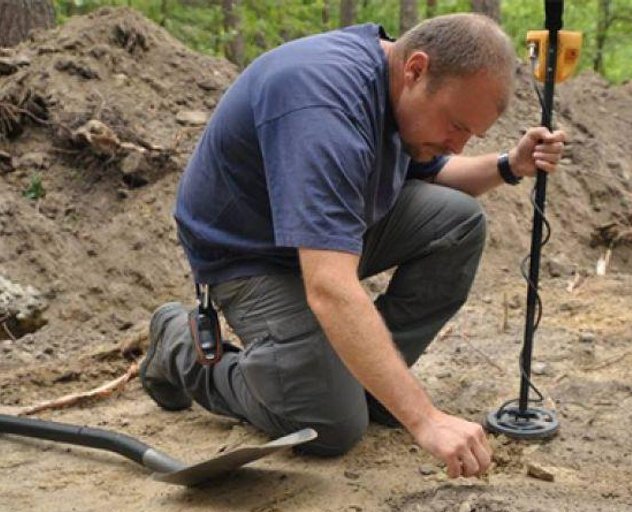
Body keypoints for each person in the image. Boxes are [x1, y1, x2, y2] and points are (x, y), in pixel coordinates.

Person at [138, 14, 566, 479]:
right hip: (251, 253)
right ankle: (178, 346)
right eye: (455, 125)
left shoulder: (399, 93)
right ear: (416, 69)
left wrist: (510, 165)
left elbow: (436, 172)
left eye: (470, 136)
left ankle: (370, 386)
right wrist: (425, 420)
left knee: (457, 222)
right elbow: (328, 286)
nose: (457, 146)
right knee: (329, 425)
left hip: (326, 233)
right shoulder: (325, 107)